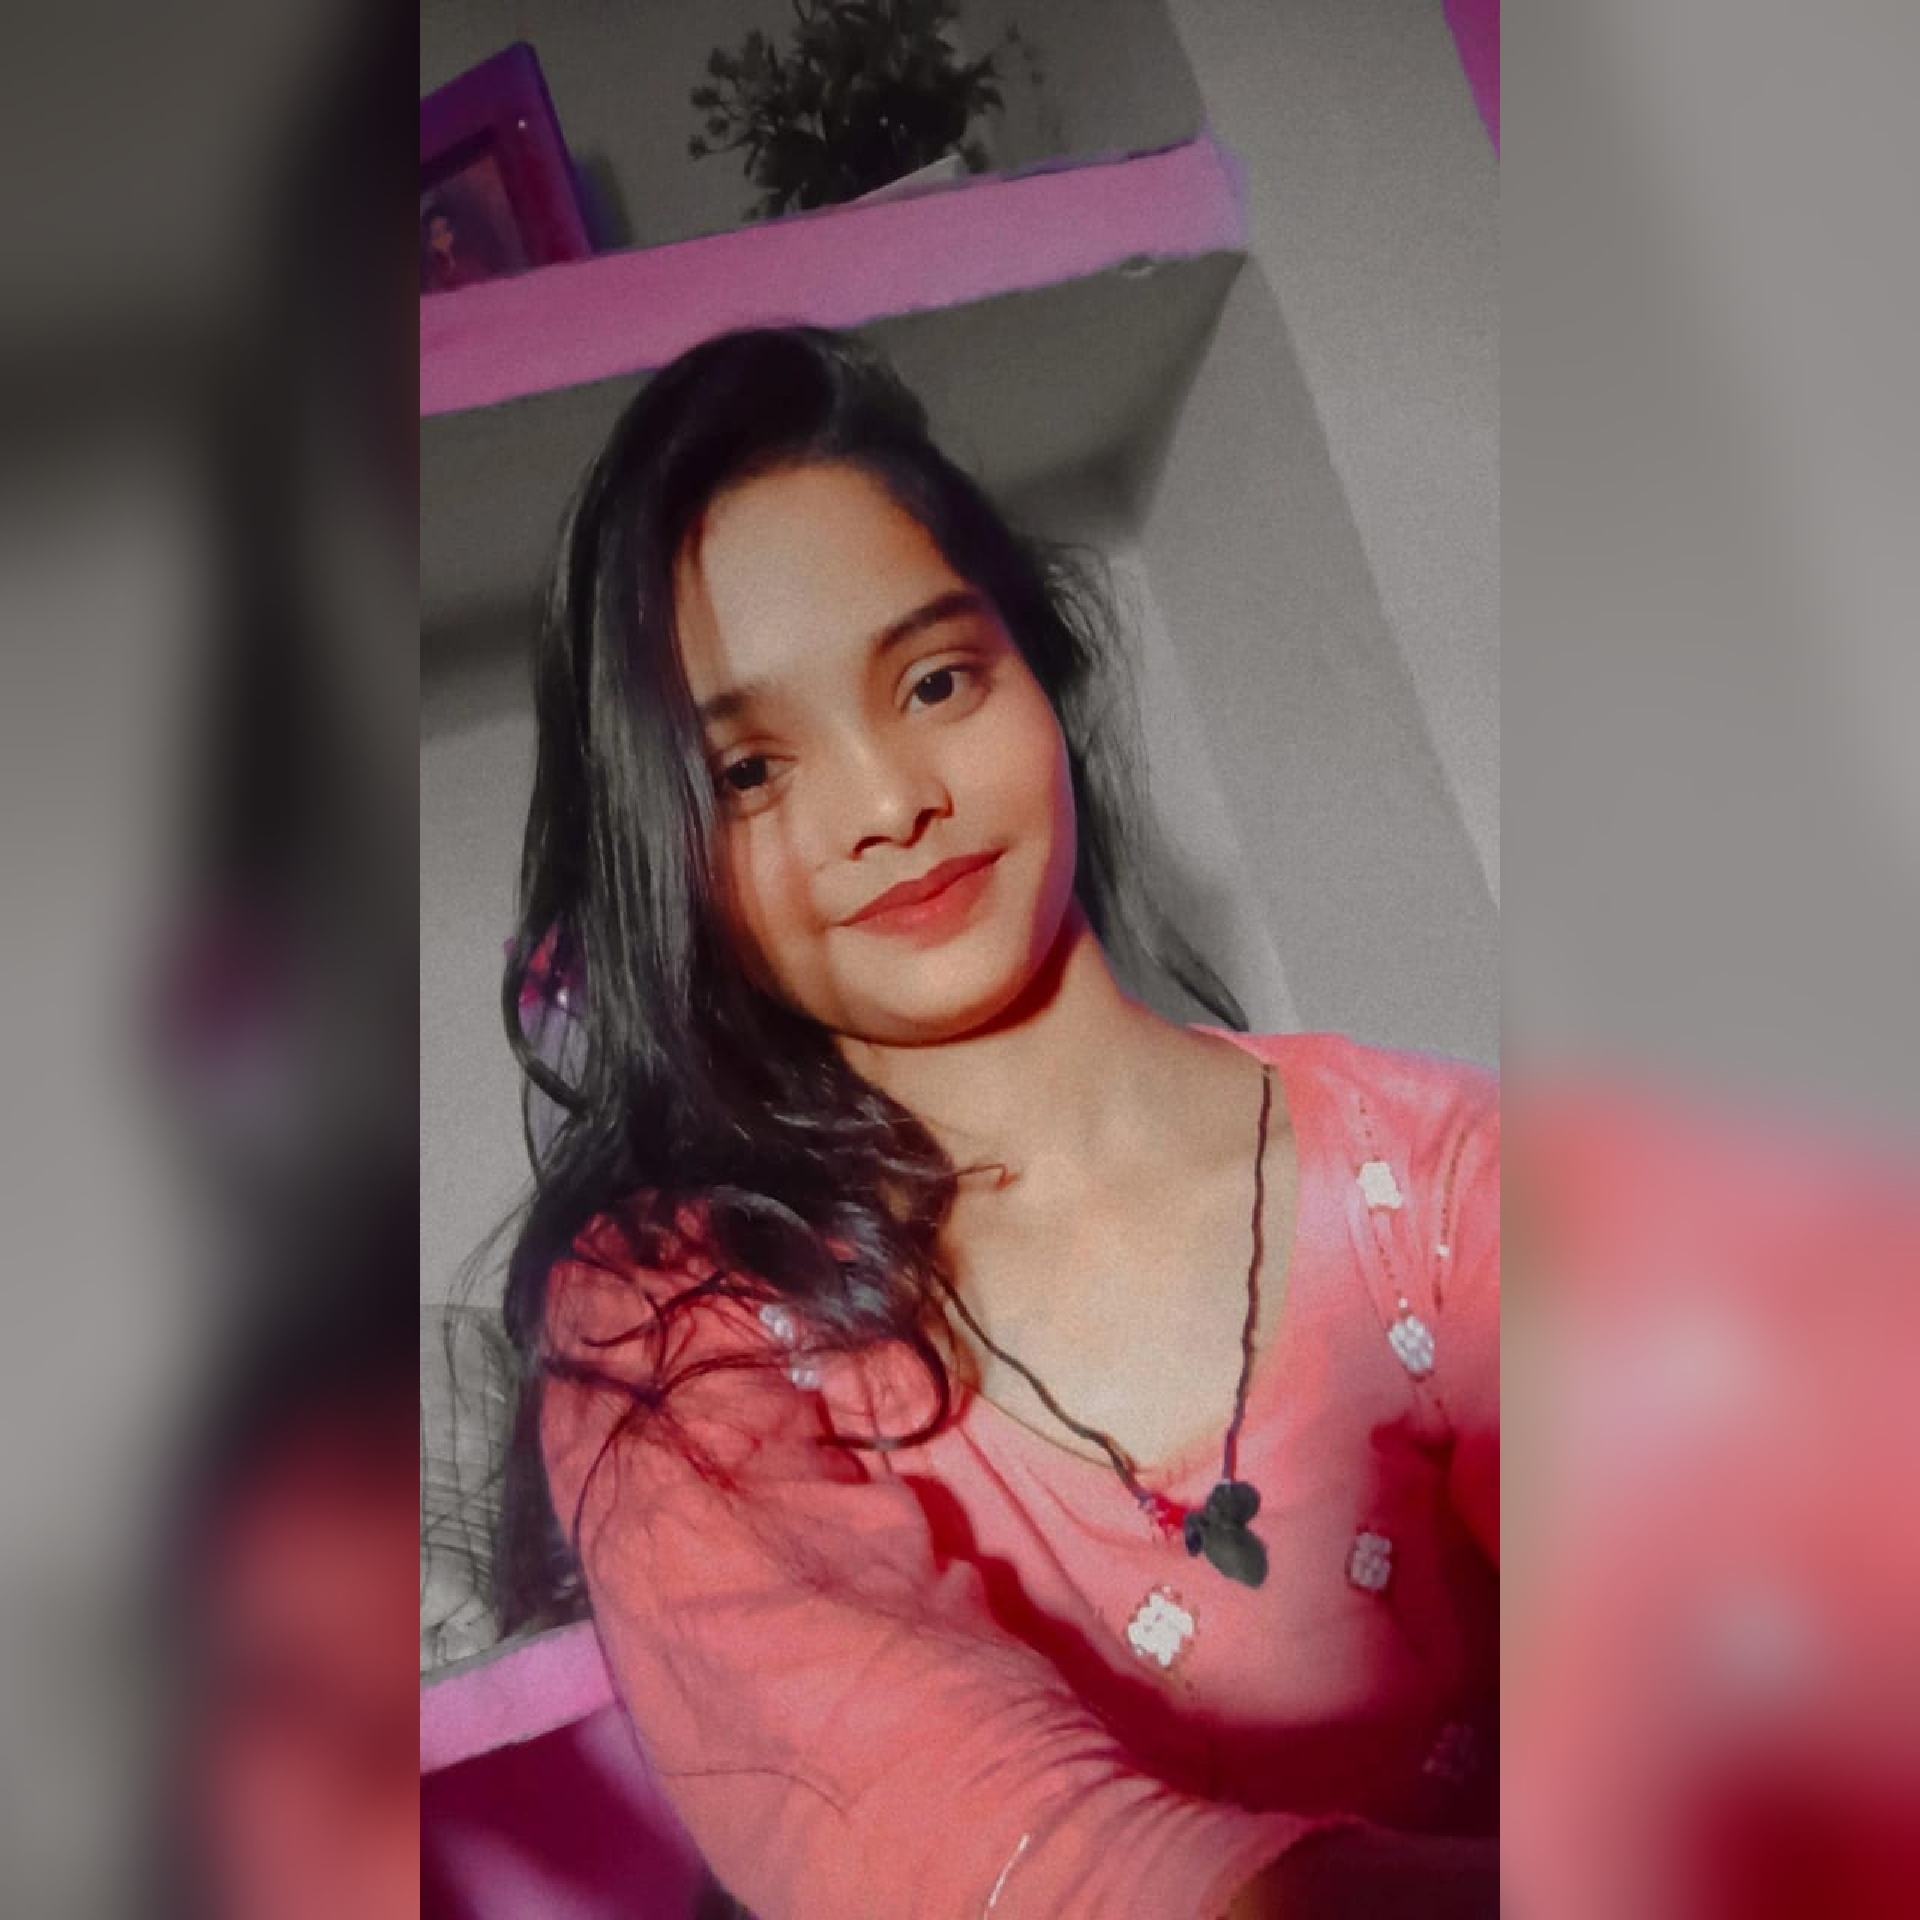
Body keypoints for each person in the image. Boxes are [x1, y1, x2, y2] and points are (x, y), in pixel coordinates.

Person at [493, 325, 1499, 1918]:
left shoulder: (1437, 1184)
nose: (890, 804)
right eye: (748, 772)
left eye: (935, 680)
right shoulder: (673, 1329)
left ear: (1044, 670)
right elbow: (969, 1842)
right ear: (663, 857)